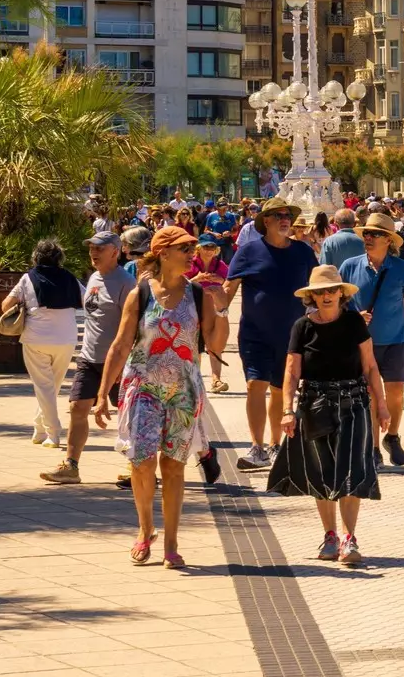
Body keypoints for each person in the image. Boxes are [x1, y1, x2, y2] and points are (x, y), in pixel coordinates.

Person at [96, 226, 221, 568]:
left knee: (174, 466)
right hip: (143, 389)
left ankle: (171, 542)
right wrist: (101, 394)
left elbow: (214, 343)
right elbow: (121, 344)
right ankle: (144, 528)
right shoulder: (141, 294)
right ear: (164, 253)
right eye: (185, 248)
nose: (192, 253)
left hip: (183, 392)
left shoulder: (198, 295)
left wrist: (219, 304)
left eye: (193, 247)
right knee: (142, 462)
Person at [269, 264, 383, 567]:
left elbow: (370, 366)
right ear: (312, 297)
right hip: (314, 404)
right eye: (320, 292)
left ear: (341, 293)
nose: (327, 295)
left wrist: (382, 406)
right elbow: (291, 373)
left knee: (351, 470)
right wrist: (286, 410)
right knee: (321, 471)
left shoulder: (354, 324)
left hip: (353, 402)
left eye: (332, 290)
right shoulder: (302, 327)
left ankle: (349, 537)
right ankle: (330, 536)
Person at [225, 199, 318, 472]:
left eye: (287, 215)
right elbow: (228, 290)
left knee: (280, 390)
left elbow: (316, 287)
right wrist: (214, 308)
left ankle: (276, 446)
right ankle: (257, 447)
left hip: (292, 335)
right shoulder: (248, 251)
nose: (285, 219)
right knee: (256, 384)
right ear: (266, 221)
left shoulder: (303, 251)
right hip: (255, 333)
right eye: (278, 215)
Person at [41, 231, 133, 485]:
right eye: (91, 247)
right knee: (77, 408)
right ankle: (71, 466)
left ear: (115, 251)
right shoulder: (93, 277)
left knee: (129, 413)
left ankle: (136, 464)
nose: (93, 252)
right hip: (88, 358)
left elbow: (133, 324)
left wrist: (124, 359)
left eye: (100, 248)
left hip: (116, 361)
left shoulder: (126, 283)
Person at [339, 212, 404, 468]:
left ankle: (393, 437)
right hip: (362, 344)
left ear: (389, 240)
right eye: (366, 233)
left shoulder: (402, 269)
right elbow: (338, 304)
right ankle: (373, 447)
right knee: (371, 395)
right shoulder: (350, 267)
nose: (368, 238)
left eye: (374, 234)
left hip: (396, 342)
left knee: (396, 393)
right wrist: (354, 315)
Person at [0, 238, 83, 451]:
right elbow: (88, 299)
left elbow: (5, 305)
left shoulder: (28, 278)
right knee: (51, 386)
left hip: (36, 338)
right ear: (59, 258)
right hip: (66, 339)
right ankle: (39, 428)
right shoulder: (70, 277)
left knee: (45, 387)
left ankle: (53, 433)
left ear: (36, 257)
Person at [187, 235, 231, 392]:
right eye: (206, 247)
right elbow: (179, 283)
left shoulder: (220, 264)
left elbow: (230, 282)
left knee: (215, 342)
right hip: (192, 306)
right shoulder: (190, 264)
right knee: (194, 343)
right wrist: (195, 279)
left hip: (213, 308)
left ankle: (216, 379)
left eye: (212, 247)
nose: (209, 250)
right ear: (199, 248)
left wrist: (221, 282)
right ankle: (196, 378)